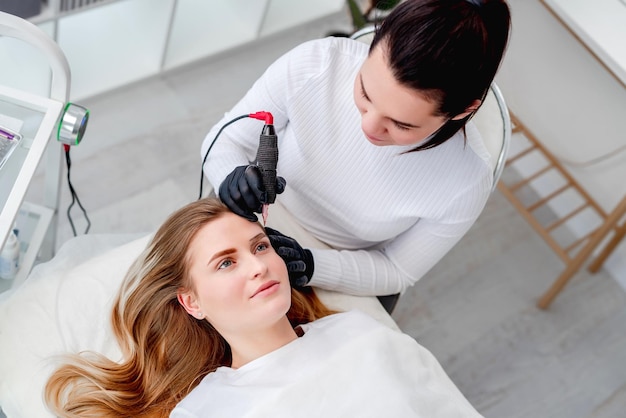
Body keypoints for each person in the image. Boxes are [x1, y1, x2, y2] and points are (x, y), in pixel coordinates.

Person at [44, 198, 484, 417]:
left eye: (260, 246)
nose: (258, 266)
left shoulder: (359, 332)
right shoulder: (206, 410)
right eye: (227, 262)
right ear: (191, 302)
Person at [202, 0, 512, 297]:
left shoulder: (465, 181)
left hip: (334, 263)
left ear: (463, 111)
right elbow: (226, 140)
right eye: (364, 92)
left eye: (401, 124)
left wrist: (312, 265)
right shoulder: (316, 64)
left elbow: (398, 270)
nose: (369, 127)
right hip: (251, 220)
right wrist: (230, 176)